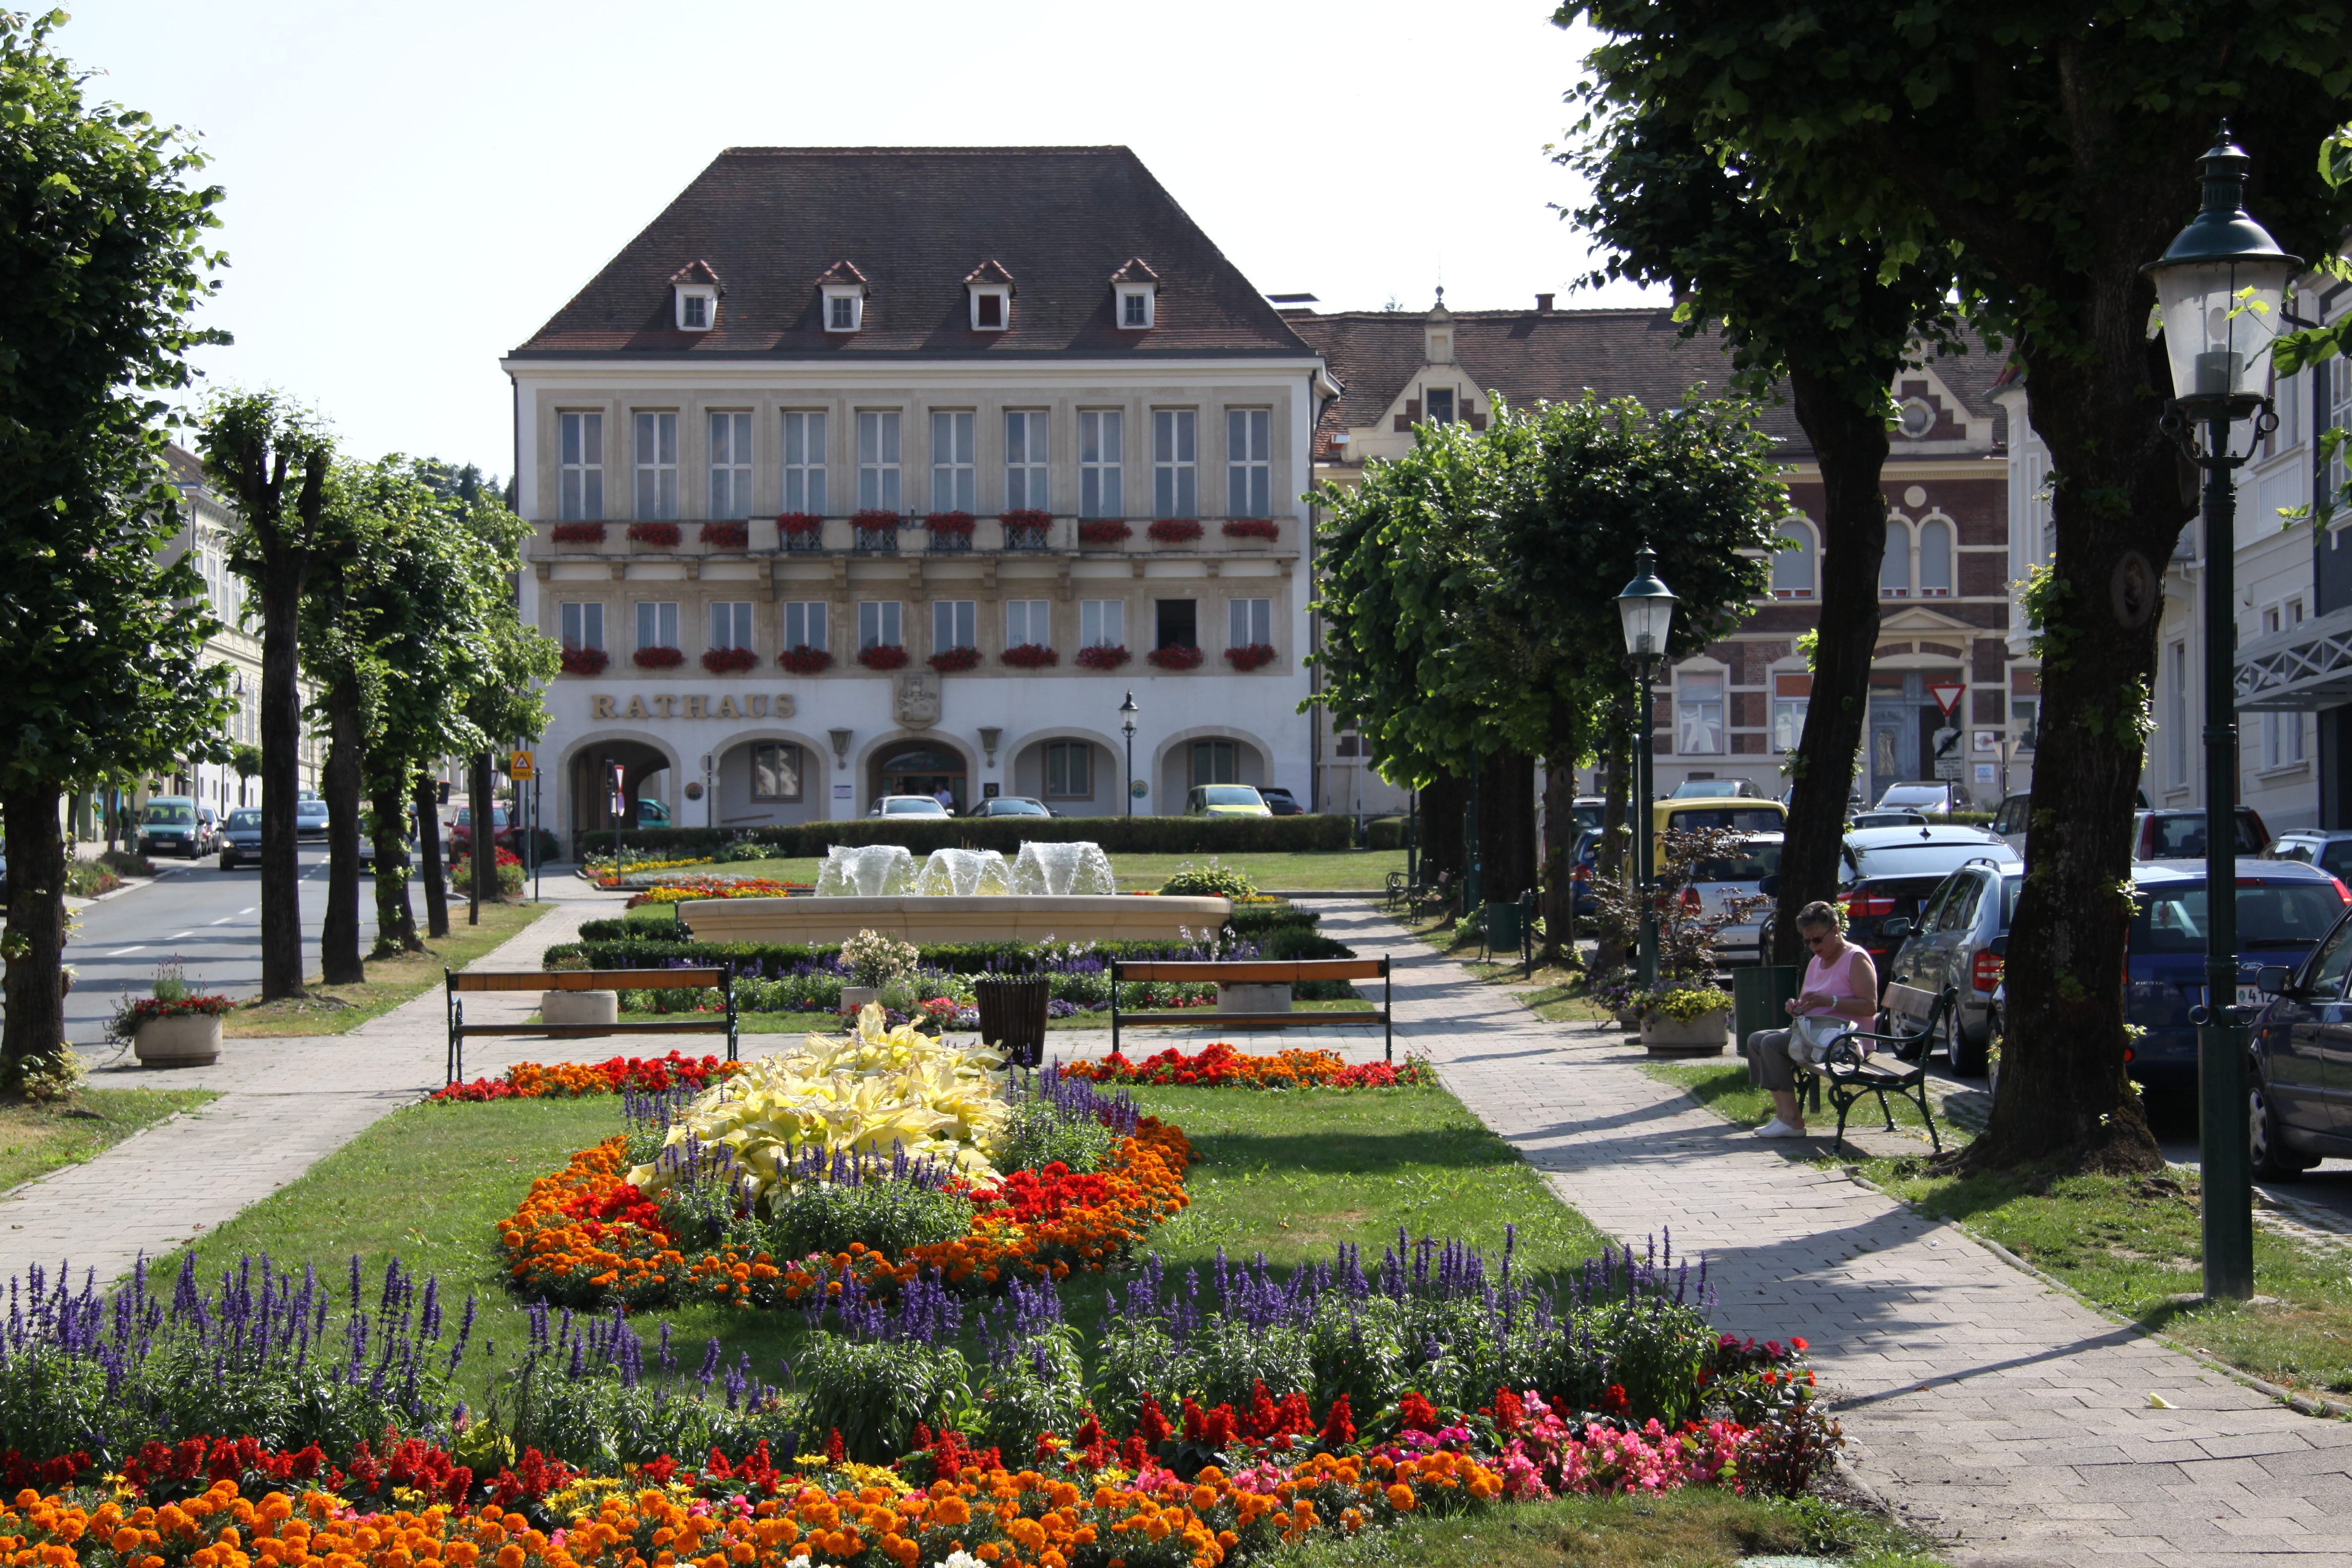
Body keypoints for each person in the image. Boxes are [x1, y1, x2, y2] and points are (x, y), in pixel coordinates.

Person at [1744, 900, 1879, 1138]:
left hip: (1846, 1043)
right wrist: (1797, 1008)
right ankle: (1783, 1115)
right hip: (1816, 1036)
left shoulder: (1855, 959)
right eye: (1807, 941)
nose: (1813, 946)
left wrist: (1830, 1001)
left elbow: (1870, 1006)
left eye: (1817, 939)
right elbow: (1810, 1003)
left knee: (1772, 1044)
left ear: (1835, 930)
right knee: (1756, 1040)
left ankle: (1793, 1121)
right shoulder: (1817, 961)